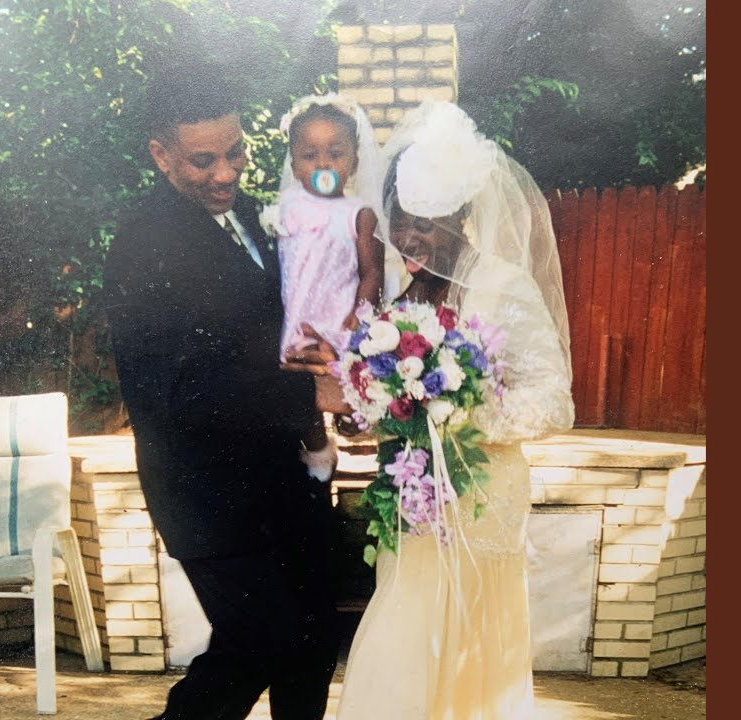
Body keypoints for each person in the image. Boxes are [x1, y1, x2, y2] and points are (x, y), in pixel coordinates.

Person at [285, 100, 575, 720]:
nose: (410, 239)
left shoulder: (503, 285)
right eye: (401, 222)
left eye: (426, 224)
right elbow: (393, 402)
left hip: (479, 497)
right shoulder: (402, 291)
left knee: (466, 643)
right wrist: (363, 409)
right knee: (401, 635)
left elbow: (555, 401)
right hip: (410, 500)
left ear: (462, 216)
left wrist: (452, 412)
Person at [103, 62, 339, 720]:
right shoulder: (141, 246)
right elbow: (176, 389)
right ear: (161, 155)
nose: (226, 174)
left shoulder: (253, 217)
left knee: (313, 641)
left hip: (286, 476)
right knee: (260, 639)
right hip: (207, 494)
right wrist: (310, 398)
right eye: (203, 160)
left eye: (235, 152)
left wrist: (323, 384)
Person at [265, 94, 387, 479]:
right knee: (298, 387)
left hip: (336, 315)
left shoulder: (358, 214)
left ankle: (353, 425)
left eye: (335, 154)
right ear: (293, 164)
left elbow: (372, 271)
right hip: (297, 311)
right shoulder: (285, 206)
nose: (322, 164)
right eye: (309, 155)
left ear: (353, 162)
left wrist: (360, 313)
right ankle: (319, 448)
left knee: (339, 379)